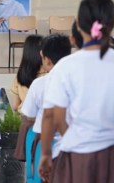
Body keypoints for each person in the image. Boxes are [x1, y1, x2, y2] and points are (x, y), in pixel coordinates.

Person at [38, 0, 114, 183]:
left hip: (78, 156)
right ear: (113, 23)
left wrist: (45, 154)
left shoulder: (66, 66)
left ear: (79, 25)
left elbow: (53, 115)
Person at [17, 33, 72, 162]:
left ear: (47, 60)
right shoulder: (79, 80)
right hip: (77, 144)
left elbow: (29, 115)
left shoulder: (40, 83)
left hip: (46, 144)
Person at [10, 34, 44, 112]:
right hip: (41, 118)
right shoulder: (49, 75)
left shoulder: (20, 76)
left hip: (23, 118)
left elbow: (15, 105)